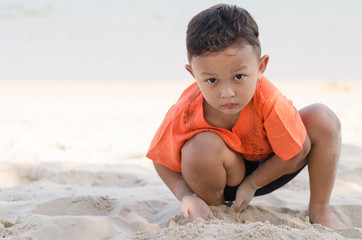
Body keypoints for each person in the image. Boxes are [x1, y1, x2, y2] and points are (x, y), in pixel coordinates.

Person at [146, 4, 346, 229]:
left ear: (261, 66)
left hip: (274, 167)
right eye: (212, 80)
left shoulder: (267, 99)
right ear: (193, 75)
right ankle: (216, 211)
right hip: (219, 177)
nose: (227, 93)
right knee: (200, 147)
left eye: (239, 76)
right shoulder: (186, 110)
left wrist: (252, 184)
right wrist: (185, 196)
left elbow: (297, 148)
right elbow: (160, 158)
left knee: (323, 118)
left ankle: (320, 209)